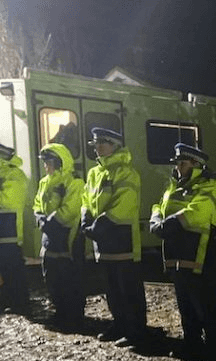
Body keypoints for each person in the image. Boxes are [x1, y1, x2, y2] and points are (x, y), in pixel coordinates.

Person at [150, 143, 216, 361]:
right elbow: (161, 204)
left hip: (203, 257)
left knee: (207, 306)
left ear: (196, 165)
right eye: (178, 163)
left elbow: (197, 213)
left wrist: (167, 224)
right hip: (180, 256)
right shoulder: (176, 185)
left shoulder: (209, 185)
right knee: (186, 305)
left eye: (183, 163)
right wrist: (156, 219)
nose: (178, 167)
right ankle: (192, 345)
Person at [81, 128, 148, 347]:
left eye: (104, 142)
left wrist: (100, 224)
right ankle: (120, 324)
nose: (98, 146)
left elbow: (124, 203)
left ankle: (136, 330)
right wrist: (85, 217)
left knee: (128, 290)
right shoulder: (94, 173)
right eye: (96, 143)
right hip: (105, 241)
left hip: (122, 240)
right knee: (112, 289)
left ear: (115, 146)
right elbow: (86, 199)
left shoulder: (126, 172)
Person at [32, 144, 85, 329]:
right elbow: (37, 203)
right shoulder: (44, 182)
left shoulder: (74, 181)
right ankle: (61, 312)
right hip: (50, 238)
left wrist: (50, 222)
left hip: (67, 238)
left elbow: (71, 208)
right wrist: (40, 218)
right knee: (52, 278)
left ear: (59, 162)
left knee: (70, 279)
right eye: (45, 162)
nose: (46, 165)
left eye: (49, 162)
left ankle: (75, 316)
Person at [0, 142, 30, 314]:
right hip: (4, 230)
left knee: (13, 268)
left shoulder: (15, 174)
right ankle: (8, 300)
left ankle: (20, 303)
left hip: (9, 232)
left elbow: (10, 202)